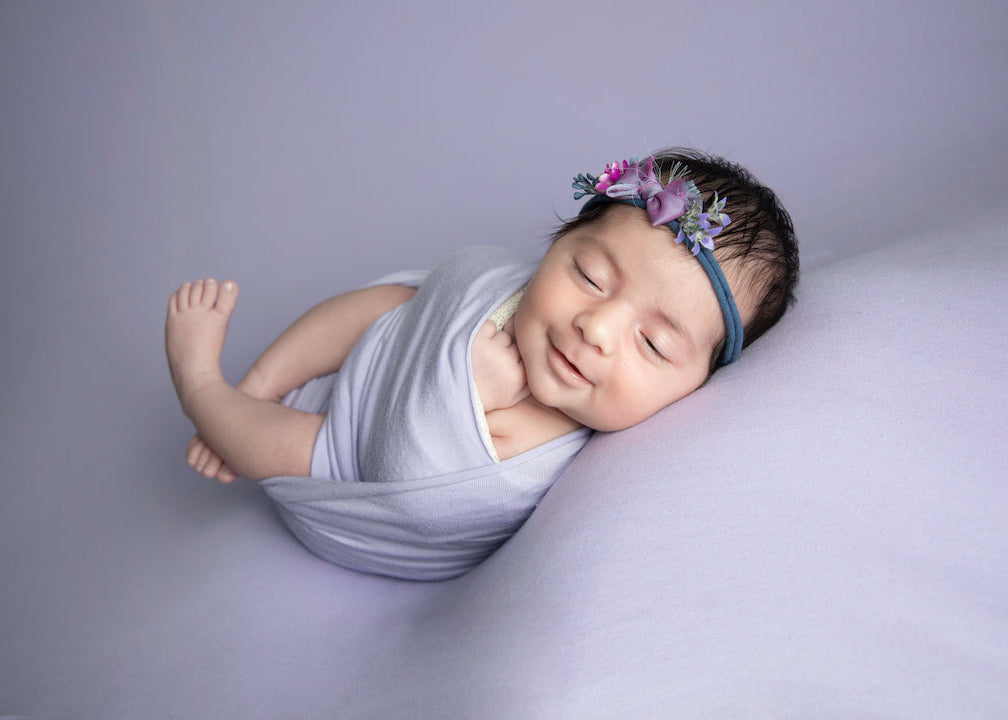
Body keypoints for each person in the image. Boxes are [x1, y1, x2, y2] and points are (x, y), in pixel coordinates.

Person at [164, 148, 799, 579]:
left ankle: (204, 389)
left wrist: (469, 387)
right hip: (383, 356)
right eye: (588, 274)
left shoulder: (537, 447)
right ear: (556, 243)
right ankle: (260, 383)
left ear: (697, 386)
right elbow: (445, 288)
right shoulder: (518, 292)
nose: (596, 328)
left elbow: (411, 482)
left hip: (352, 469)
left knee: (300, 444)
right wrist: (438, 310)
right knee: (392, 303)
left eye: (655, 345)